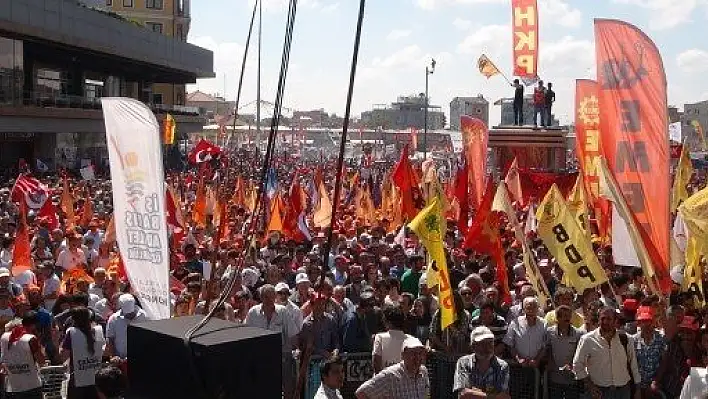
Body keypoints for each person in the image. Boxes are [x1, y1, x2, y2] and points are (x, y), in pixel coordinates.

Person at [573, 306, 641, 399]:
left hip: (623, 391)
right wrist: (591, 386)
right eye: (602, 318)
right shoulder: (587, 340)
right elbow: (577, 365)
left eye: (609, 319)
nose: (605, 322)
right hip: (599, 392)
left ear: (615, 321)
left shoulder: (626, 339)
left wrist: (637, 389)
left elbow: (634, 365)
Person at [355, 336, 429, 399]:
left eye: (420, 353)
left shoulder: (423, 371)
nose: (418, 357)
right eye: (413, 353)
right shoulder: (390, 375)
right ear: (403, 355)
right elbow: (361, 393)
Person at [453, 326, 510, 399]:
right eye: (482, 343)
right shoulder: (464, 362)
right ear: (473, 346)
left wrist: (474, 392)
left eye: (490, 342)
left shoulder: (502, 366)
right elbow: (464, 394)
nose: (487, 347)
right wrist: (492, 395)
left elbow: (504, 397)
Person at [60, 307, 105, 399]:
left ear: (73, 319)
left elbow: (63, 356)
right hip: (96, 379)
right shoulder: (99, 331)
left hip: (78, 380)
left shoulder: (72, 333)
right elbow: (106, 351)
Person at [0, 311, 45, 399]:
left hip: (12, 388)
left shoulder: (3, 337)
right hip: (31, 387)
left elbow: (2, 363)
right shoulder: (31, 339)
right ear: (34, 325)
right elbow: (41, 361)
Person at [546, 305, 582, 399]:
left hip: (571, 379)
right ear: (557, 318)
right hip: (554, 378)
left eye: (569, 315)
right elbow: (547, 350)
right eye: (564, 315)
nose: (568, 318)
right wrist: (551, 363)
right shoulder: (549, 332)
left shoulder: (578, 334)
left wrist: (572, 365)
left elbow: (579, 354)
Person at [632, 306, 665, 398]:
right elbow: (633, 364)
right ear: (639, 323)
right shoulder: (634, 340)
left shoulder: (661, 338)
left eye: (648, 321)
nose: (646, 324)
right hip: (638, 385)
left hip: (656, 385)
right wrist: (637, 388)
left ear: (653, 321)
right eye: (643, 321)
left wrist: (656, 381)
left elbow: (664, 362)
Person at [105, 294, 146, 361]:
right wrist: (113, 356)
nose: (129, 316)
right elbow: (110, 339)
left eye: (131, 313)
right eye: (127, 314)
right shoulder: (113, 319)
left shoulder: (145, 317)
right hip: (121, 361)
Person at [372, 305, 409, 373]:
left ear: (387, 322)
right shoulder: (411, 339)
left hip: (384, 380)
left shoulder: (380, 337)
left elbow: (376, 363)